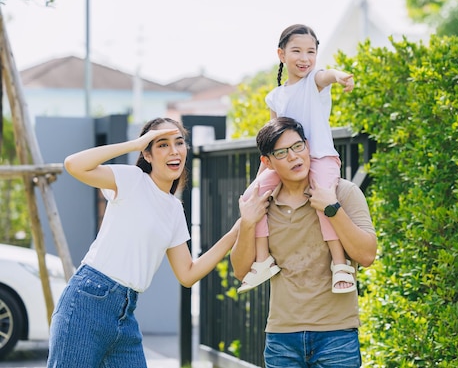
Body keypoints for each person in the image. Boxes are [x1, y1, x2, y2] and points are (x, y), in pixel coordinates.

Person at [47, 117, 237, 368]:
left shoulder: (173, 210)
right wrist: (135, 143)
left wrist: (237, 230)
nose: (174, 151)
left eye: (179, 143)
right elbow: (74, 164)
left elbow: (187, 274)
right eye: (161, 145)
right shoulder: (132, 180)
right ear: (146, 154)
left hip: (125, 314)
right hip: (88, 301)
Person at [231, 117, 377, 367]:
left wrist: (332, 208)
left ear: (308, 146)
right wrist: (247, 223)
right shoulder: (262, 204)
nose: (294, 157)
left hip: (337, 336)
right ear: (267, 162)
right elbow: (240, 270)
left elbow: (366, 256)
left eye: (298, 146)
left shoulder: (344, 192)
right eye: (282, 152)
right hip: (282, 338)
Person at [238, 23, 356, 294]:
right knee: (251, 198)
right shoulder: (275, 97)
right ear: (281, 55)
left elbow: (327, 75)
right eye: (297, 51)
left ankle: (340, 264)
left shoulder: (314, 81)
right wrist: (261, 175)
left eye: (311, 52)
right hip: (285, 163)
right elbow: (272, 138)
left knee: (323, 199)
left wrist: (341, 77)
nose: (305, 58)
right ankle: (263, 259)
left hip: (320, 158)